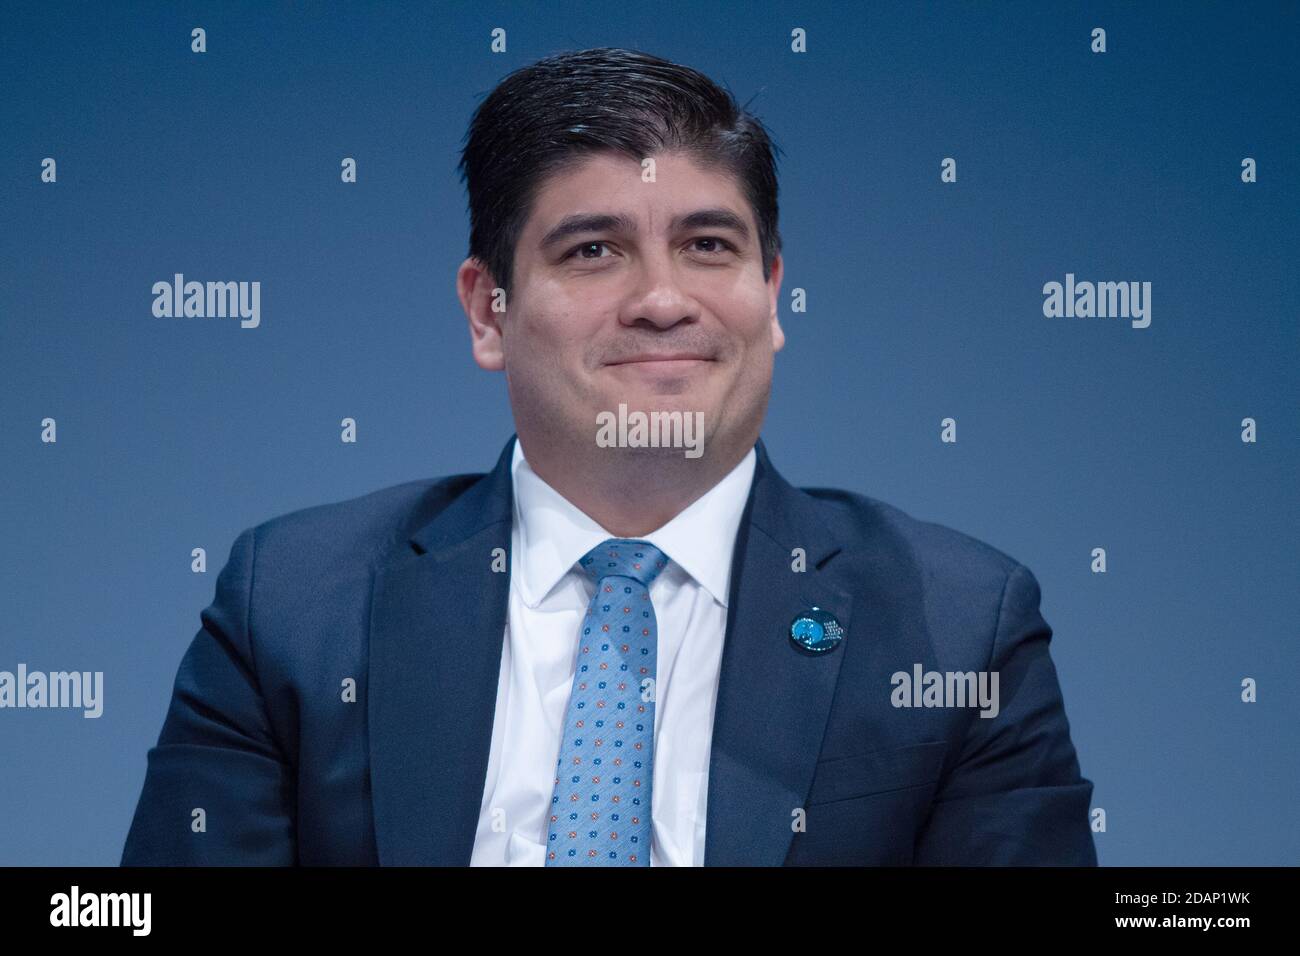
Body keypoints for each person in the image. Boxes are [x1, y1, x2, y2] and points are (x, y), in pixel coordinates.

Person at [121, 47, 1097, 866]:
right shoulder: (293, 604)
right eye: (593, 250)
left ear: (772, 292)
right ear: (486, 308)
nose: (663, 299)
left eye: (709, 245)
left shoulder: (959, 623)